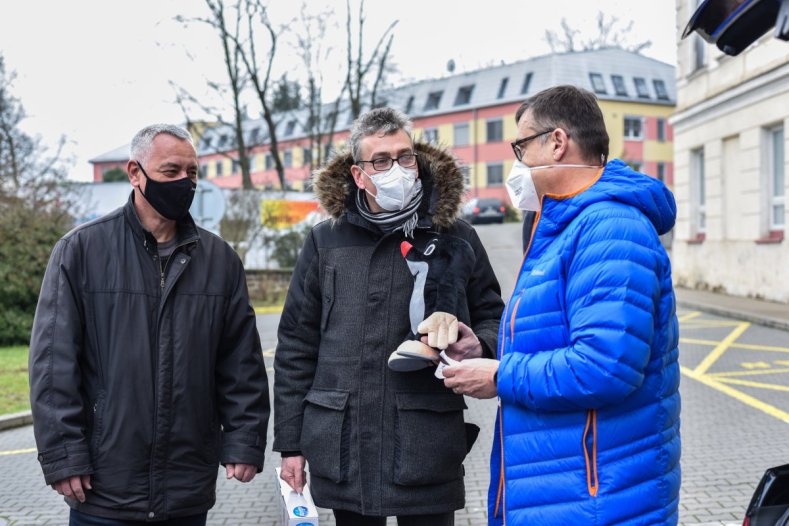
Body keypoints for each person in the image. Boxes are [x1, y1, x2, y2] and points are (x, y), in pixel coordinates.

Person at [442, 85, 681, 525]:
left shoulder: (609, 228)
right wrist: (484, 351)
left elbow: (605, 367)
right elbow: (557, 335)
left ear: (557, 142)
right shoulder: (565, 225)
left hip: (595, 498)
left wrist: (501, 375)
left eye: (521, 146)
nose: (518, 163)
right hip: (568, 487)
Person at [28, 124, 270, 525]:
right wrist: (63, 456)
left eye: (192, 173)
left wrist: (245, 440)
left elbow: (240, 362)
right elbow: (53, 365)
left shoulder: (220, 260)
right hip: (104, 487)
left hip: (185, 489)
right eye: (170, 171)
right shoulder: (81, 251)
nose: (184, 183)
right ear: (135, 173)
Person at [273, 107, 504, 525]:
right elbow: (295, 345)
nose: (396, 168)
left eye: (404, 156)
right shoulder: (326, 241)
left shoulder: (455, 236)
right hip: (344, 444)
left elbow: (494, 318)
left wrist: (479, 343)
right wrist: (290, 444)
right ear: (359, 174)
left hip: (424, 445)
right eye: (380, 160)